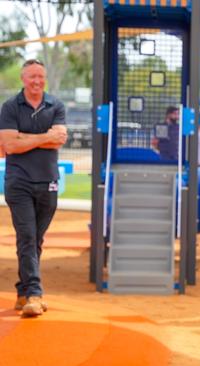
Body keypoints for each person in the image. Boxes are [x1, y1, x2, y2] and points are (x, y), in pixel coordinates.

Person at [0, 59, 67, 317]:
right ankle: (35, 295)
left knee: (35, 239)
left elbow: (59, 139)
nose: (37, 81)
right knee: (27, 236)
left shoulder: (56, 105)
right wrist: (44, 138)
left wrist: (25, 138)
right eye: (32, 77)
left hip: (48, 181)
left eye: (40, 76)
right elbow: (10, 146)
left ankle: (21, 289)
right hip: (19, 182)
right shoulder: (9, 107)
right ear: (22, 79)